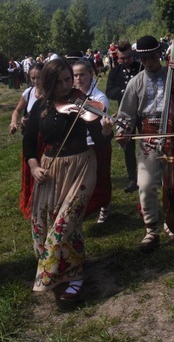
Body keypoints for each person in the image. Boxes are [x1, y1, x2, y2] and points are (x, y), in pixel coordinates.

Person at [23, 58, 113, 300]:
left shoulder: (84, 104)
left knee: (65, 223)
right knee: (41, 225)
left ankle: (67, 276)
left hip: (81, 166)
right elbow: (29, 144)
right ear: (50, 82)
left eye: (69, 79)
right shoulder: (39, 106)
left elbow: (101, 139)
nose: (67, 85)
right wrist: (33, 167)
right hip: (50, 169)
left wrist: (106, 130)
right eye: (60, 81)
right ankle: (65, 269)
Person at [116, 35, 174, 251]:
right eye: (144, 59)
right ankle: (151, 231)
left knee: (173, 184)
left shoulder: (172, 75)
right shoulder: (136, 82)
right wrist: (122, 131)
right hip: (148, 136)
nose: (148, 62)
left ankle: (172, 224)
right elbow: (126, 113)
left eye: (152, 57)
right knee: (145, 185)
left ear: (159, 55)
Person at [73, 59, 113, 224]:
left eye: (82, 74)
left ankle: (104, 207)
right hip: (78, 145)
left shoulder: (99, 98)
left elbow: (101, 124)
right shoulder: (70, 95)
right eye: (75, 75)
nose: (78, 78)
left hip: (95, 143)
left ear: (91, 75)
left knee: (101, 176)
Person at [9, 62, 44, 219]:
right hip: (30, 138)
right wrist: (14, 122)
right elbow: (17, 110)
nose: (35, 81)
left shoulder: (51, 94)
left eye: (39, 78)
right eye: (32, 78)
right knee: (30, 170)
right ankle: (32, 201)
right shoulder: (28, 93)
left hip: (44, 139)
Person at [105, 43, 141, 193]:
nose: (125, 60)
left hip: (143, 111)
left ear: (132, 55)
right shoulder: (115, 72)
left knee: (148, 143)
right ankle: (133, 177)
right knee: (128, 146)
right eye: (122, 58)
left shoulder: (141, 68)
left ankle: (151, 173)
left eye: (127, 57)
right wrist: (124, 91)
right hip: (125, 111)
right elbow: (109, 91)